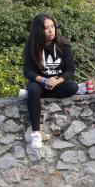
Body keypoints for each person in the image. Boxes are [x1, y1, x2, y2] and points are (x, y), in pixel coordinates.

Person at [22, 13, 78, 149]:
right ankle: (36, 133)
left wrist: (56, 81)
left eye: (52, 26)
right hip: (39, 83)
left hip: (57, 84)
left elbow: (70, 70)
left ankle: (31, 96)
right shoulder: (31, 46)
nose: (50, 30)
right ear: (39, 30)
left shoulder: (64, 46)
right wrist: (44, 80)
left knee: (73, 87)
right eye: (46, 28)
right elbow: (27, 71)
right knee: (34, 89)